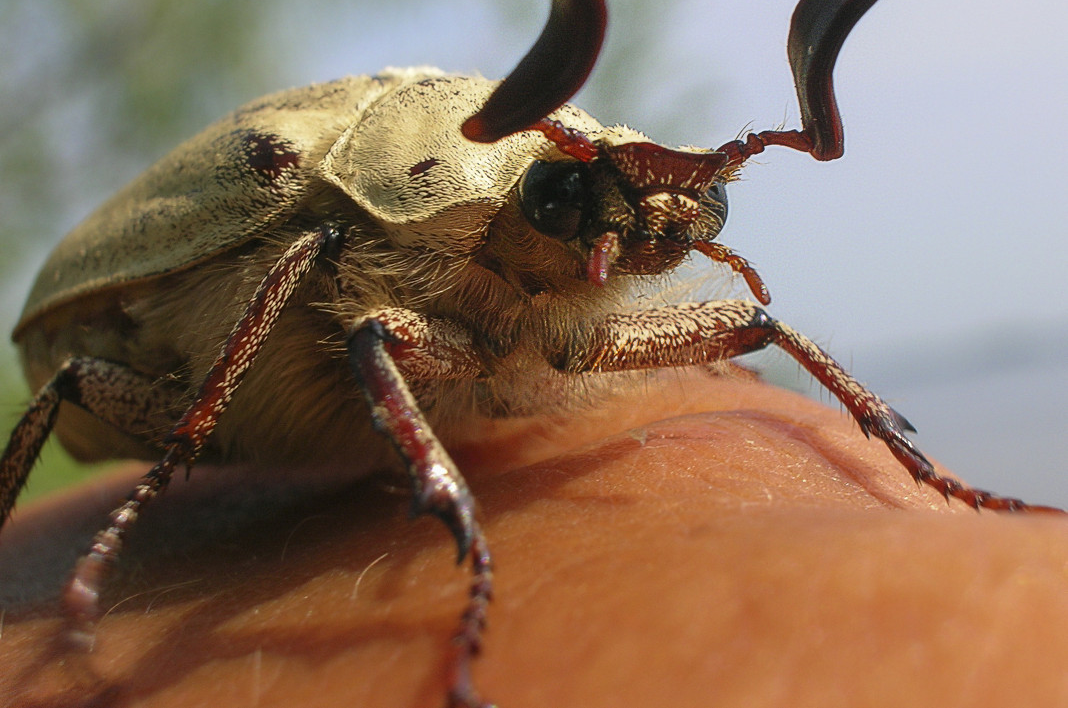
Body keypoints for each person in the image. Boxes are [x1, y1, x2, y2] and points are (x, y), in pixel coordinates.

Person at [2, 369, 1067, 707]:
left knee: (751, 337)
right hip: (161, 367)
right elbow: (376, 340)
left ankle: (934, 473)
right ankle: (470, 550)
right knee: (371, 322)